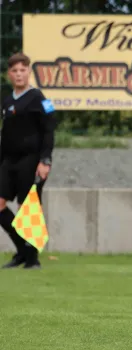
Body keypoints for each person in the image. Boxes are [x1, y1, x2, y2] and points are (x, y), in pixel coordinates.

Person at [0, 52, 56, 269]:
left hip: (31, 160)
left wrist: (45, 160)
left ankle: (32, 259)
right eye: (14, 71)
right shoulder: (7, 100)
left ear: (28, 72)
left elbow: (49, 130)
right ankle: (22, 251)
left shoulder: (39, 98)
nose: (19, 74)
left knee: (28, 207)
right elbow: (6, 135)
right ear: (9, 74)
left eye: (23, 70)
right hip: (9, 160)